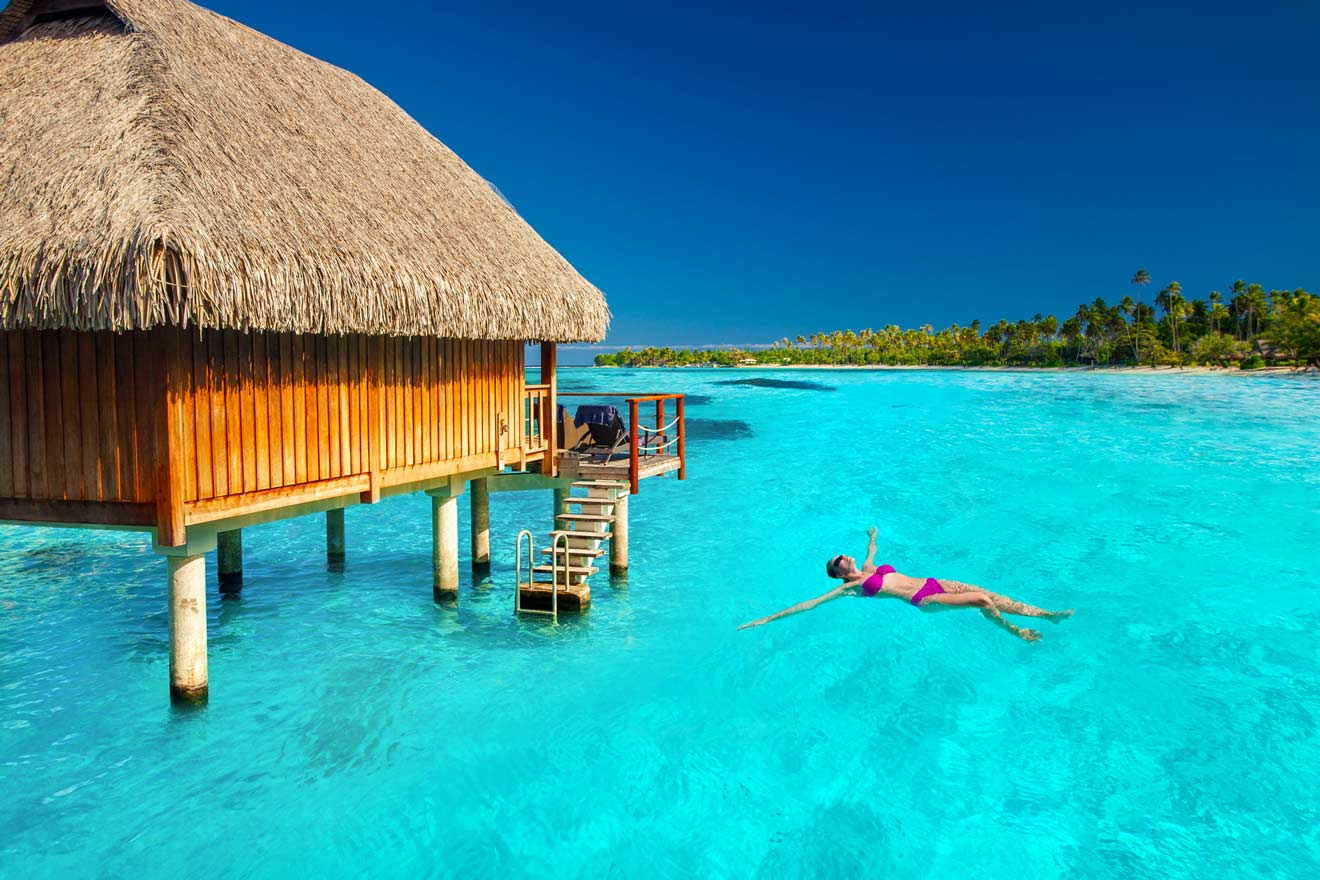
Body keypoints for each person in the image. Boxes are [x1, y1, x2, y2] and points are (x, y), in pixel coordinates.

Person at [737, 526, 1072, 641]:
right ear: (839, 573)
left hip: (933, 581)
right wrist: (766, 619)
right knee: (982, 602)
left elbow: (873, 550)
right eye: (839, 560)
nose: (843, 556)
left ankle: (1045, 615)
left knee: (992, 594)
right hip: (924, 600)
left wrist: (872, 535)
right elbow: (810, 603)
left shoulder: (868, 567)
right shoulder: (848, 588)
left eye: (841, 555)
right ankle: (1019, 634)